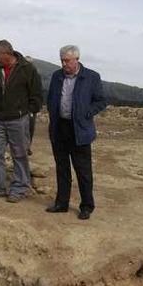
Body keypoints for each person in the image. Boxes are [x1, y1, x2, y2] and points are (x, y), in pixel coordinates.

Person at [45, 45, 107, 220]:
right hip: (60, 128)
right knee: (62, 168)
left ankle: (87, 206)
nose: (64, 64)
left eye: (67, 60)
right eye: (62, 60)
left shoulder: (91, 77)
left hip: (79, 129)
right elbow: (51, 98)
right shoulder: (57, 76)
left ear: (77, 59)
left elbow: (101, 101)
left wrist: (86, 113)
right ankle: (61, 203)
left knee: (83, 170)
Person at [0, 39, 42, 203]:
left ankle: (19, 188)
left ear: (8, 53)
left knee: (19, 154)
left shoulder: (27, 69)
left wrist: (27, 111)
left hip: (19, 119)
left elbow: (36, 94)